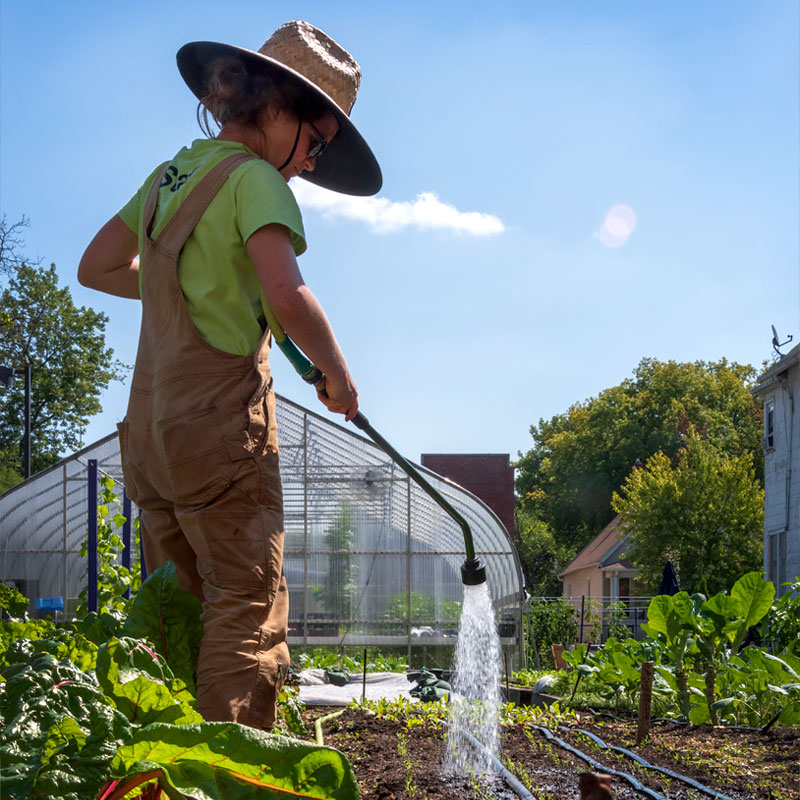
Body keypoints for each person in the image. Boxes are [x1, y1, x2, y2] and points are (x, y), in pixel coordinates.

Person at [78, 20, 381, 730]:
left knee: (182, 610)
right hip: (218, 436)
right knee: (246, 611)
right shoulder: (254, 182)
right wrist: (339, 372)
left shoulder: (168, 177)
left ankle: (161, 760)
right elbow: (287, 296)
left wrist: (181, 284)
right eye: (315, 143)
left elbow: (96, 268)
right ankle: (231, 777)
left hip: (150, 441)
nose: (309, 163)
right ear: (276, 105)